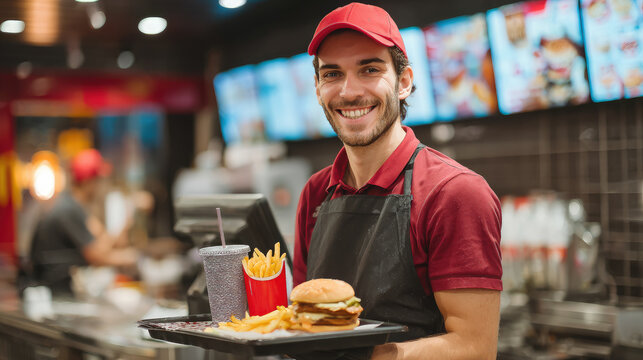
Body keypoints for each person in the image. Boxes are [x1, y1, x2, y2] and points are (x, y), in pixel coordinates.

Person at [293, 3, 502, 359]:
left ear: (403, 82)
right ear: (317, 87)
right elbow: (303, 323)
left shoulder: (453, 193)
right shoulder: (316, 192)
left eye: (369, 69)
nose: (348, 91)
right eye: (332, 74)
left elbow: (475, 347)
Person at [25, 149, 139, 295]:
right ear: (88, 181)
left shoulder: (71, 204)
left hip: (58, 290)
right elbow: (96, 256)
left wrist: (124, 226)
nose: (101, 186)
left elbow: (101, 241)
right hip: (54, 294)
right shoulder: (68, 209)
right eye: (98, 180)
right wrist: (128, 258)